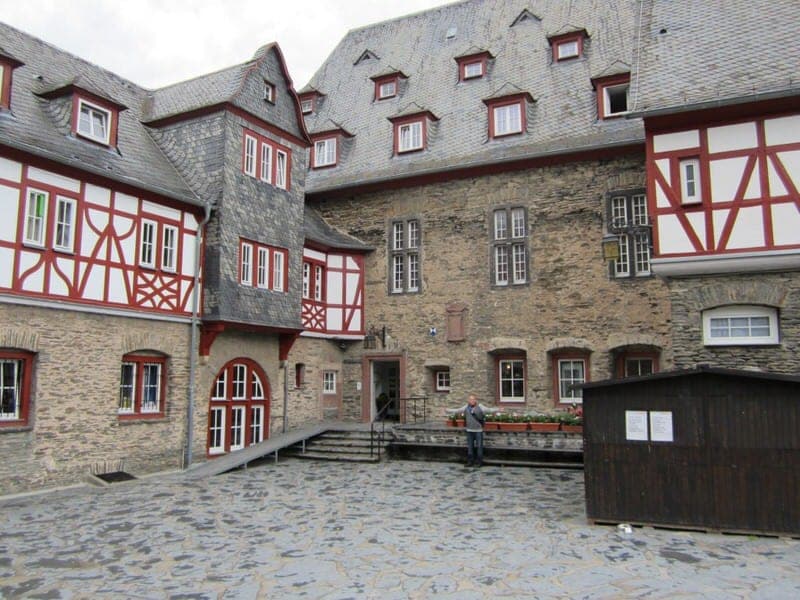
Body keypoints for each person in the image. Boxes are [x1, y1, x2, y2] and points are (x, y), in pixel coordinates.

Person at [450, 394, 488, 467]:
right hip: (469, 431)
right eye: (470, 399)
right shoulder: (466, 407)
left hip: (478, 431)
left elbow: (489, 410)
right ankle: (470, 462)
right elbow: (457, 410)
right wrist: (447, 410)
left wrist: (498, 409)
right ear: (468, 400)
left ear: (475, 400)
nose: (472, 400)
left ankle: (479, 462)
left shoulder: (480, 407)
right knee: (470, 447)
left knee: (479, 447)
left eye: (473, 399)